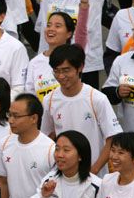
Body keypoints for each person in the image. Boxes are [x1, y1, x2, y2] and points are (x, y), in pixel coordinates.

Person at [41, 44, 122, 176]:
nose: (61, 76)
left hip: (95, 176)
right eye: (56, 71)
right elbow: (47, 137)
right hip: (65, 175)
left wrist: (94, 170)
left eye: (66, 70)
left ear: (80, 67)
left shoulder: (97, 98)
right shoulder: (49, 100)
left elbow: (112, 138)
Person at [25, 11, 89, 102]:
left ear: (69, 33)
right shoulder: (34, 63)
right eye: (48, 25)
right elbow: (30, 96)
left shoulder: (74, 56)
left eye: (57, 26)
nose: (51, 29)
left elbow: (82, 31)